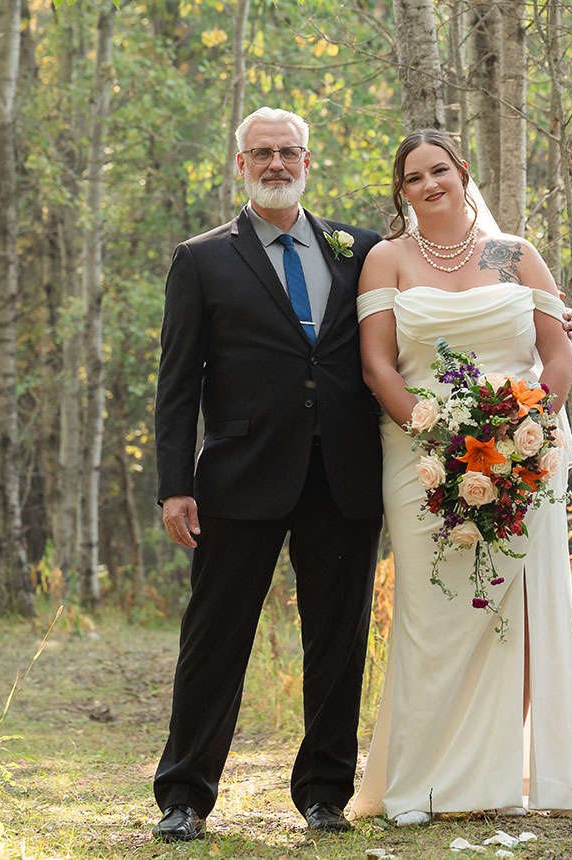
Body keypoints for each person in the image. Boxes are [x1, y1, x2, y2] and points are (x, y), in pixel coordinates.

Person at [352, 129, 572, 824]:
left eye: (439, 170)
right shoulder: (386, 260)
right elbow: (377, 366)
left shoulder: (514, 254)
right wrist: (436, 433)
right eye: (413, 178)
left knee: (517, 609)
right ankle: (418, 780)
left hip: (525, 454)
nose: (430, 184)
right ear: (400, 192)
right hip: (419, 455)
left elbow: (557, 358)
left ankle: (498, 779)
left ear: (463, 172)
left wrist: (522, 434)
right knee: (432, 615)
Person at [151, 106, 385, 840]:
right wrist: (173, 484)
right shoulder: (202, 258)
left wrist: (537, 318)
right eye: (262, 153)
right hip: (239, 476)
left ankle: (324, 793)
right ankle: (184, 797)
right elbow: (177, 383)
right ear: (242, 165)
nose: (276, 163)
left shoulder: (361, 250)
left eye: (288, 152)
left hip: (344, 475)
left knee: (338, 642)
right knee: (215, 639)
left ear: (308, 161)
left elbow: (418, 331)